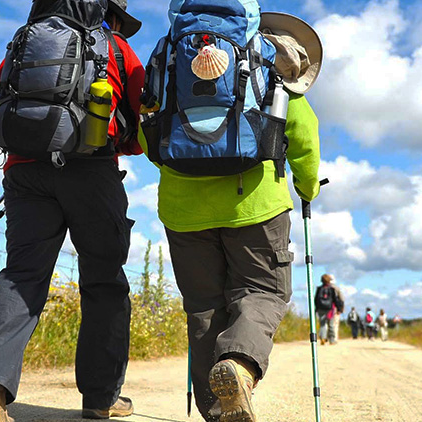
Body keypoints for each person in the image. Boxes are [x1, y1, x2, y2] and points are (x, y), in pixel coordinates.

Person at [0, 1, 145, 421]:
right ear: (108, 14)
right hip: (91, 172)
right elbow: (136, 123)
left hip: (25, 172)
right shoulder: (115, 47)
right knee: (104, 280)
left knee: (22, 275)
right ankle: (101, 399)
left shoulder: (25, 42)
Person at [146, 8, 324, 422]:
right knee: (263, 291)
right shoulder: (269, 65)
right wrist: (307, 187)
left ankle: (217, 412)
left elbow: (148, 131)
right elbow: (304, 136)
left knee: (204, 307)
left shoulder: (170, 58)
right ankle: (240, 366)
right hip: (256, 206)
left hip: (183, 209)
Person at [315, 274, 344, 345]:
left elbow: (316, 299)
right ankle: (332, 340)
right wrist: (339, 308)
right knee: (331, 324)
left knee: (322, 324)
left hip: (321, 309)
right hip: (330, 309)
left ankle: (322, 337)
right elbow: (335, 299)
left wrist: (316, 308)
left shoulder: (319, 289)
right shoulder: (332, 289)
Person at [330, 276, 344, 343]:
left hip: (325, 308)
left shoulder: (323, 287)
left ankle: (326, 337)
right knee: (335, 324)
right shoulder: (337, 288)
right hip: (335, 308)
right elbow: (342, 299)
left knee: (326, 323)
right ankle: (334, 338)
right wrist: (341, 309)